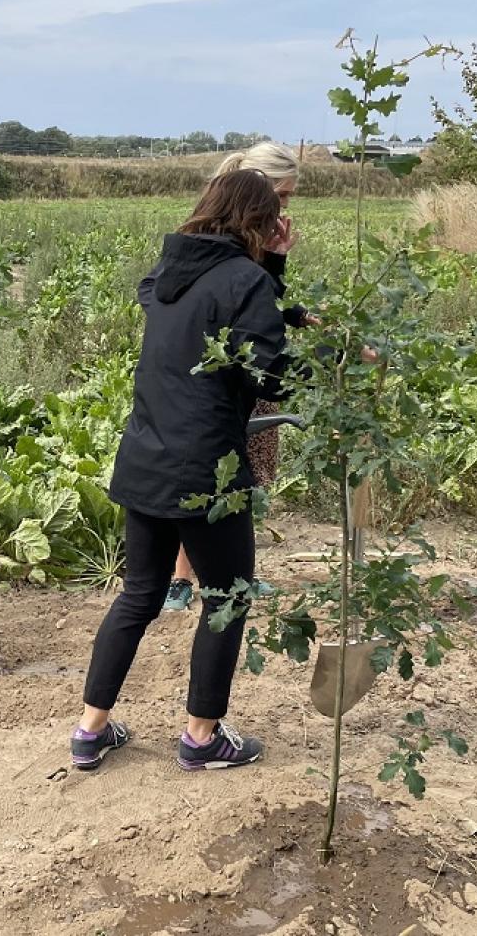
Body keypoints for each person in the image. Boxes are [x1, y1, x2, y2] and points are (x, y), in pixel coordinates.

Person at [72, 169, 298, 772]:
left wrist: (267, 271)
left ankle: (90, 732)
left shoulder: (167, 276)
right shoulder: (245, 279)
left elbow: (218, 316)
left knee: (140, 594)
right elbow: (270, 375)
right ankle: (202, 739)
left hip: (146, 459)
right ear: (256, 220)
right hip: (209, 474)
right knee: (226, 597)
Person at [165, 141, 309, 612]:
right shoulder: (224, 230)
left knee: (240, 476)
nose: (284, 207)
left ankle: (231, 576)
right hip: (226, 375)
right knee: (211, 475)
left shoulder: (251, 232)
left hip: (240, 367)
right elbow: (247, 300)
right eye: (282, 196)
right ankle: (182, 580)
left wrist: (284, 274)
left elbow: (264, 299)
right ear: (259, 189)